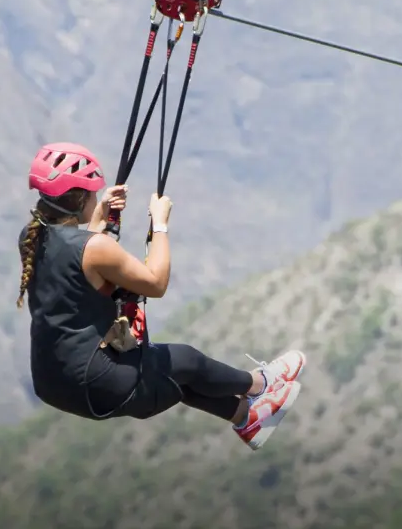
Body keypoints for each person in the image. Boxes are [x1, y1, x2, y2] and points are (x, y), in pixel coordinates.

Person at [17, 141, 306, 450]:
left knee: (167, 374)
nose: (95, 197)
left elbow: (76, 267)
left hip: (54, 383)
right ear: (78, 198)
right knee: (186, 361)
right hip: (96, 385)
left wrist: (100, 215)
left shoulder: (32, 237)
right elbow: (155, 283)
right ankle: (261, 385)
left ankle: (246, 417)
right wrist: (160, 223)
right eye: (92, 193)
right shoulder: (95, 249)